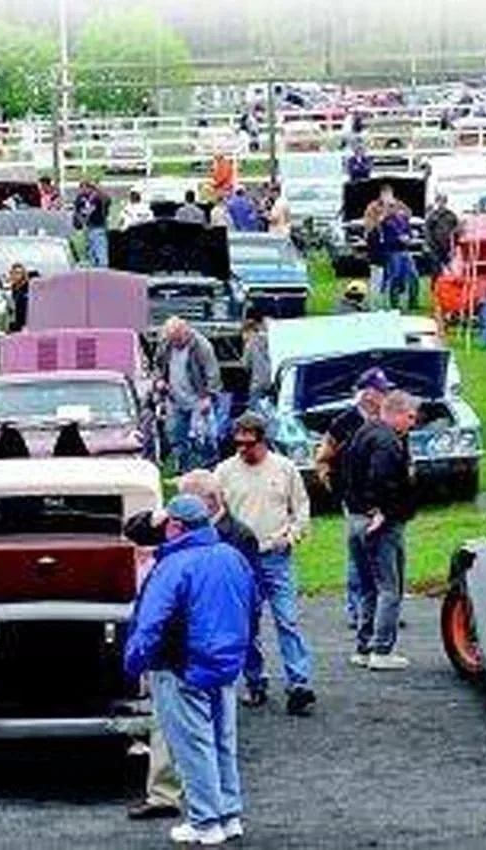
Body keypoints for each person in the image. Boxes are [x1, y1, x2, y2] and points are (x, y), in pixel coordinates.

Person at [123, 495, 254, 846]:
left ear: (175, 526)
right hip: (224, 665)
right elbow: (252, 605)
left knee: (192, 747)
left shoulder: (174, 565)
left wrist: (134, 663)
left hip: (181, 666)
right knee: (222, 743)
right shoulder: (231, 555)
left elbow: (151, 623)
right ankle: (228, 815)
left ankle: (204, 821)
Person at [215, 413, 316, 716]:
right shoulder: (224, 471)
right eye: (238, 443)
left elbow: (301, 507)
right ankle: (255, 681)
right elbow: (217, 512)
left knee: (287, 620)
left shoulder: (284, 469)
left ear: (263, 440)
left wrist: (293, 535)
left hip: (276, 555)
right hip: (240, 558)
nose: (243, 450)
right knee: (246, 625)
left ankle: (299, 684)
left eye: (249, 444)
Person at [341, 390, 418, 672]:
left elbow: (342, 472)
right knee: (390, 588)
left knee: (367, 586)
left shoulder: (362, 434)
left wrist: (357, 506)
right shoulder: (387, 442)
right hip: (380, 524)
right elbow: (383, 479)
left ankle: (364, 646)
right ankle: (382, 649)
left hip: (356, 519)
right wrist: (383, 510)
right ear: (396, 412)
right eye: (410, 417)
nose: (412, 423)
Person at [316, 368, 390, 629]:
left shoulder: (387, 419)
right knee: (358, 555)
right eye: (382, 391)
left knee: (384, 553)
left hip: (384, 499)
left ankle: (383, 609)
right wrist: (337, 488)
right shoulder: (343, 422)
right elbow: (323, 458)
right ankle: (356, 609)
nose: (386, 395)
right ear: (368, 394)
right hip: (356, 501)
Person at [157, 317, 222, 473]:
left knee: (202, 438)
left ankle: (209, 469)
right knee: (176, 436)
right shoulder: (166, 345)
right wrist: (159, 381)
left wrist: (208, 397)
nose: (175, 343)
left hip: (198, 400)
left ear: (186, 332)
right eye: (172, 340)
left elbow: (213, 373)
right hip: (175, 399)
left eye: (178, 339)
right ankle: (183, 470)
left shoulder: (202, 346)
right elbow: (158, 367)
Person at [73, 180, 111, 267]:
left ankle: (102, 272)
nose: (83, 190)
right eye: (81, 188)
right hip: (87, 229)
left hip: (98, 227)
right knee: (90, 255)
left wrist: (97, 190)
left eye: (86, 187)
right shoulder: (80, 199)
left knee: (101, 255)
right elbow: (77, 212)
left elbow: (107, 201)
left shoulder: (98, 197)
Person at [425, 193, 459, 279]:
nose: (441, 203)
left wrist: (454, 246)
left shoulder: (451, 215)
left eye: (443, 201)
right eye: (439, 201)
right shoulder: (432, 216)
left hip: (448, 247)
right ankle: (435, 288)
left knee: (451, 270)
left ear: (445, 202)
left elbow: (456, 231)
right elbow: (428, 231)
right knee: (436, 271)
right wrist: (430, 245)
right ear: (436, 202)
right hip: (435, 247)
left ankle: (449, 287)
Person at [241, 314, 272, 400]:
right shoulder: (266, 339)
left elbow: (245, 364)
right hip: (269, 382)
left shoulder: (250, 343)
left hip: (257, 383)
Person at [6, 263, 32, 332]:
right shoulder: (14, 288)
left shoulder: (28, 287)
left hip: (26, 323)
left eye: (17, 273)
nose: (15, 275)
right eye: (12, 273)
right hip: (16, 321)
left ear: (23, 275)